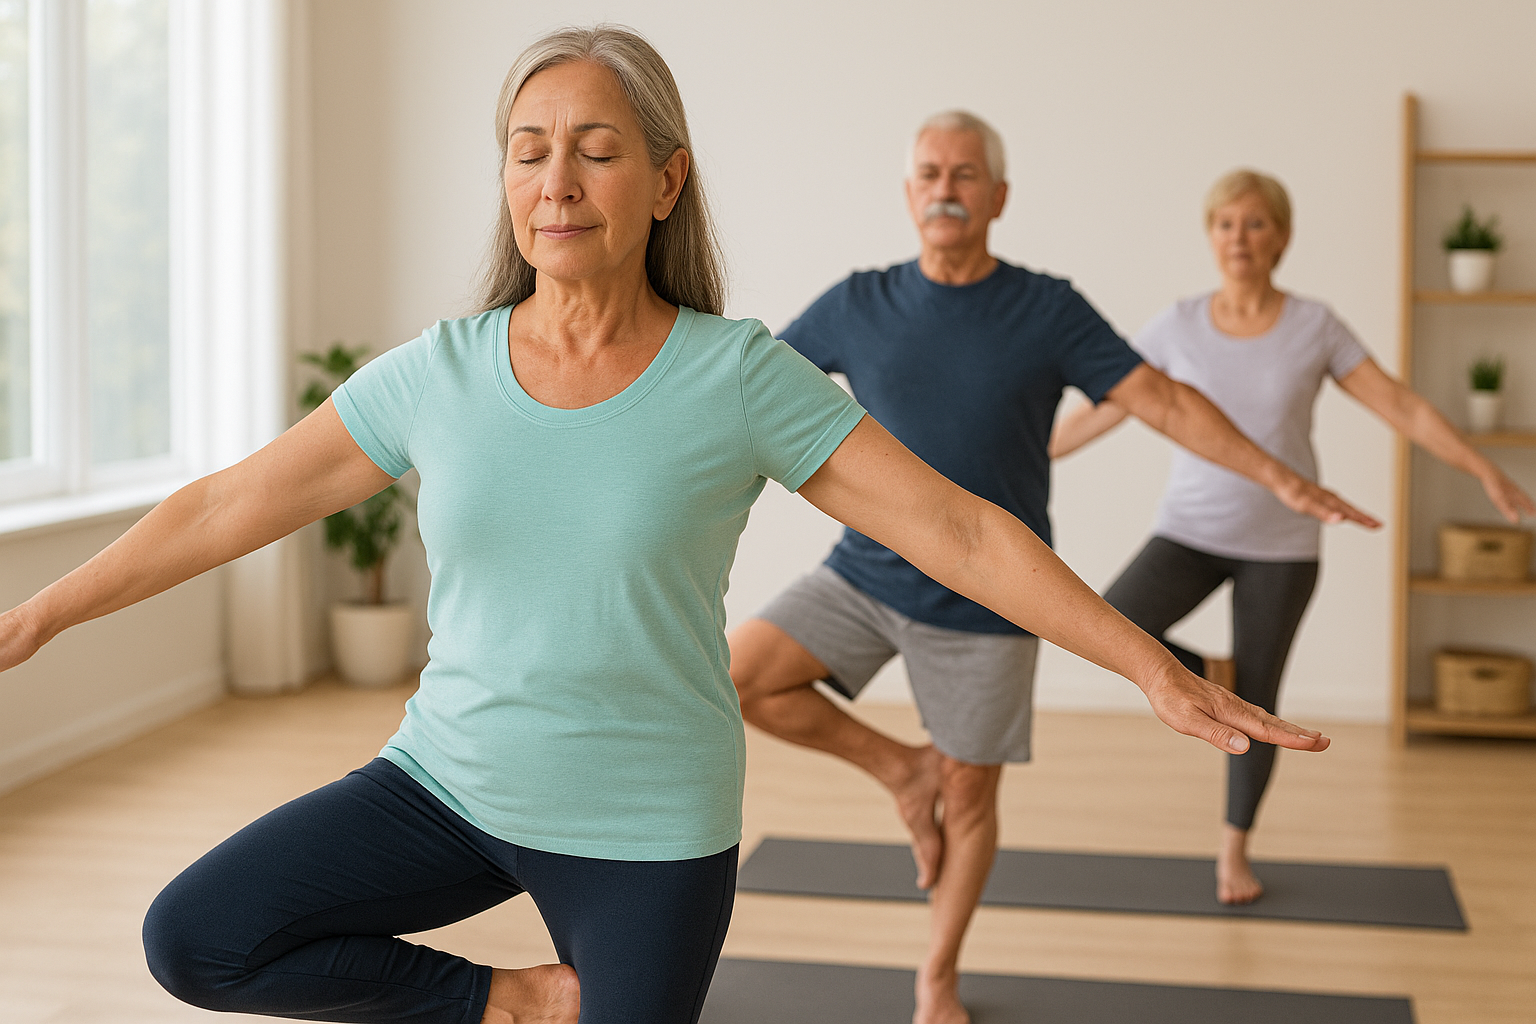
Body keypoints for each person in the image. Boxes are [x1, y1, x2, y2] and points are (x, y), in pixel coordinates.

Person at [0, 30, 1331, 1024]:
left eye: (596, 149)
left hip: (648, 825)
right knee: (198, 939)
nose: (557, 180)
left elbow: (963, 535)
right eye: (530, 150)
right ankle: (517, 1004)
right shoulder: (440, 372)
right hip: (448, 785)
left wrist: (1153, 669)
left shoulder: (735, 374)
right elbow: (231, 502)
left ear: (663, 180)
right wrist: (45, 608)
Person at [728, 113, 1379, 1024]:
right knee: (738, 681)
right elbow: (744, 391)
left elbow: (1162, 400)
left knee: (972, 795)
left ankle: (937, 976)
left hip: (990, 597)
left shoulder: (1047, 308)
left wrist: (1280, 477)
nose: (944, 186)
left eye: (964, 172)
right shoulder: (858, 301)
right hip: (862, 575)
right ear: (909, 193)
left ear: (998, 196)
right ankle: (899, 772)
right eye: (927, 172)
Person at [1051, 168, 1535, 906]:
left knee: (1260, 694)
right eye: (1225, 224)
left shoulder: (1315, 325)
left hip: (1282, 545)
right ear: (1209, 236)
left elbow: (1399, 403)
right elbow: (1105, 409)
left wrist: (1482, 470)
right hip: (1190, 530)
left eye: (1254, 223)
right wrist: (1025, 451)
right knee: (1111, 622)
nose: (1238, 238)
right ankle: (1213, 666)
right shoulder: (1176, 324)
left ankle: (1233, 849)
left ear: (1281, 236)